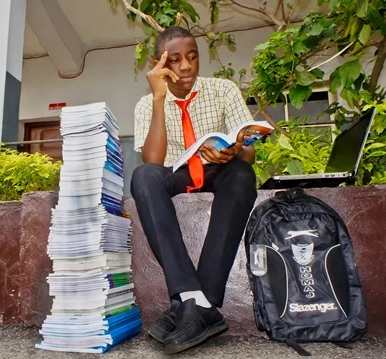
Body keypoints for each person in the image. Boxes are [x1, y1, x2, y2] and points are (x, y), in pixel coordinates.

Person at [130, 26, 258, 355]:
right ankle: (197, 302)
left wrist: (235, 150)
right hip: (177, 172)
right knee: (143, 176)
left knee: (243, 174)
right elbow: (153, 160)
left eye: (192, 57)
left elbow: (249, 150)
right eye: (175, 60)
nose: (186, 67)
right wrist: (160, 98)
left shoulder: (224, 90)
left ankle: (190, 304)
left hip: (221, 169)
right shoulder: (146, 104)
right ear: (160, 64)